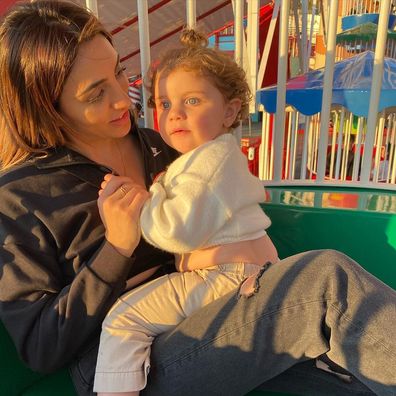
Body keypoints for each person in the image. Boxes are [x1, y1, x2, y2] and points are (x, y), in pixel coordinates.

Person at [0, 2, 394, 396]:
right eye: (96, 93)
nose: (124, 98)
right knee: (326, 280)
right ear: (48, 107)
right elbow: (41, 348)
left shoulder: (156, 147)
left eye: (119, 71)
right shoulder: (21, 196)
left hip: (207, 315)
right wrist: (117, 248)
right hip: (121, 363)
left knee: (352, 385)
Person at [93, 29, 278, 396]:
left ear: (230, 110)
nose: (174, 114)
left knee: (124, 318)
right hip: (238, 273)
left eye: (191, 101)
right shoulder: (207, 159)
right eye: (163, 104)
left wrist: (142, 204)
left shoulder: (209, 162)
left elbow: (176, 231)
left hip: (228, 276)